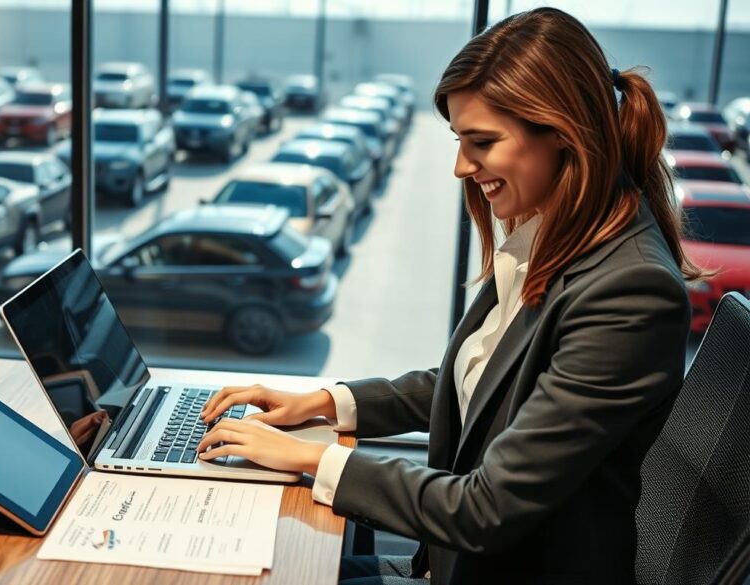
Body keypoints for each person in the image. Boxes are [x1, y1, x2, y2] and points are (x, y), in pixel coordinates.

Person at [196, 8, 701, 585]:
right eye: (460, 140)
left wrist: (313, 458)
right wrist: (322, 403)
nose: (461, 166)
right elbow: (478, 384)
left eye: (482, 141)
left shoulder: (630, 292)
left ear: (562, 134)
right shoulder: (554, 235)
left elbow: (486, 509)